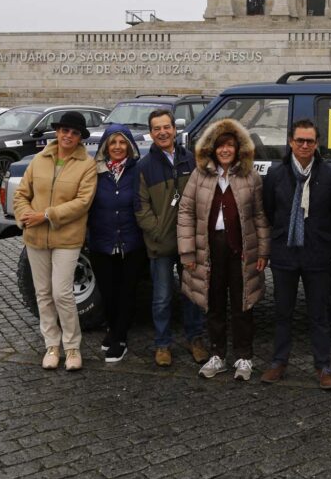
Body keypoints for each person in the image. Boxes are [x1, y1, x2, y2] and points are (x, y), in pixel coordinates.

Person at [177, 118, 269, 381]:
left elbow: (260, 215)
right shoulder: (200, 175)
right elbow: (185, 212)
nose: (225, 150)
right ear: (212, 149)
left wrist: (263, 251)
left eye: (230, 145)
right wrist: (188, 252)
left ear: (239, 148)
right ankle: (217, 355)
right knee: (214, 304)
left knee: (243, 305)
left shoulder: (250, 176)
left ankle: (243, 357)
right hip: (209, 250)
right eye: (220, 146)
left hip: (241, 250)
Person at [13, 110, 97, 372]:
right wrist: (24, 217)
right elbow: (21, 194)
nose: (68, 135)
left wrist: (46, 215)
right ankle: (52, 345)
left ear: (80, 137)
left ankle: (72, 347)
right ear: (57, 132)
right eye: (64, 130)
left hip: (67, 238)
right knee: (43, 294)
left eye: (74, 132)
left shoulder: (87, 164)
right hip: (35, 237)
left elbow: (83, 202)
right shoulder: (39, 159)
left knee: (62, 293)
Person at [261, 119, 331, 390]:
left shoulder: (330, 176)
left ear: (316, 144)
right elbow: (270, 210)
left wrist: (327, 243)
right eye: (300, 140)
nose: (305, 145)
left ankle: (323, 366)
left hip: (316, 254)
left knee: (319, 314)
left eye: (310, 141)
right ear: (291, 142)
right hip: (285, 252)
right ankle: (278, 361)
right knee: (283, 312)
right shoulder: (276, 175)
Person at [134, 109, 207, 368]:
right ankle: (162, 344)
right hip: (161, 244)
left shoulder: (191, 160)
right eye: (157, 128)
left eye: (167, 127)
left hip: (189, 243)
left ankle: (195, 339)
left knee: (192, 294)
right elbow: (140, 207)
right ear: (151, 133)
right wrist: (157, 231)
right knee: (162, 297)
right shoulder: (144, 166)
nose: (163, 132)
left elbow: (202, 196)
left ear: (175, 130)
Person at [87, 123, 145, 364]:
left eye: (123, 142)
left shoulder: (138, 170)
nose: (118, 147)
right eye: (113, 142)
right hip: (102, 241)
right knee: (108, 292)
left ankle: (120, 338)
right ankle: (112, 328)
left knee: (127, 292)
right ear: (106, 146)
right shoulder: (95, 172)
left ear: (130, 146)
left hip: (131, 242)